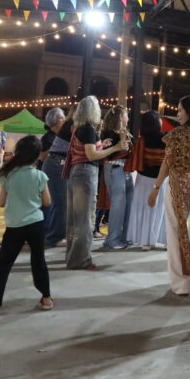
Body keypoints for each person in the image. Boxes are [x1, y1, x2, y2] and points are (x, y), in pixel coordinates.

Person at [0, 135, 53, 324]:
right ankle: (46, 297)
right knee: (38, 261)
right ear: (37, 155)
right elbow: (47, 202)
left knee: (3, 265)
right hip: (35, 223)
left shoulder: (8, 175)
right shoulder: (39, 175)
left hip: (14, 225)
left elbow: (1, 202)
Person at [148, 95, 190, 295]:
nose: (178, 113)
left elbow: (167, 163)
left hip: (178, 183)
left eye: (180, 110)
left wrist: (156, 187)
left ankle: (180, 282)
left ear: (189, 112)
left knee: (175, 232)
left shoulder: (175, 135)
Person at [63, 96, 125, 270]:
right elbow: (91, 156)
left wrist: (101, 145)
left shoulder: (80, 128)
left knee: (75, 220)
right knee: (84, 220)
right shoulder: (88, 129)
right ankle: (81, 260)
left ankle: (72, 257)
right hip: (85, 173)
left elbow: (87, 151)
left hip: (77, 172)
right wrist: (115, 148)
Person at [127, 111, 168, 251]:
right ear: (157, 122)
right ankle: (164, 240)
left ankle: (146, 242)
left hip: (143, 179)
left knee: (144, 209)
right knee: (162, 210)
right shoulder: (166, 138)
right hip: (161, 180)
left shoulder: (141, 140)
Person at [100, 105, 134, 250]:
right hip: (115, 168)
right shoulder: (108, 134)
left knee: (128, 205)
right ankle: (112, 240)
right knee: (118, 206)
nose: (128, 118)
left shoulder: (124, 132)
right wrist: (122, 138)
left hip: (125, 169)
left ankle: (126, 237)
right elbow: (117, 149)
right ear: (120, 117)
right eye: (126, 115)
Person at [42, 108, 71, 247]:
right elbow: (42, 157)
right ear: (53, 121)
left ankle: (55, 233)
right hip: (53, 169)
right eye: (61, 117)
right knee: (56, 203)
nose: (64, 119)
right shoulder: (48, 137)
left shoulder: (63, 135)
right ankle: (53, 235)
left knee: (60, 203)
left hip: (62, 168)